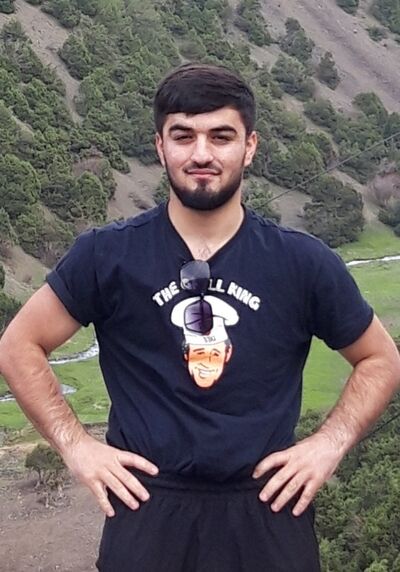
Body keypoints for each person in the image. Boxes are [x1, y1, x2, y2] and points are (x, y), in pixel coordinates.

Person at [0, 62, 399, 572]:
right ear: (159, 146)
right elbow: (19, 346)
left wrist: (329, 444)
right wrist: (76, 447)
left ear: (249, 147)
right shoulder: (106, 255)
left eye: (221, 136)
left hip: (268, 512)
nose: (202, 154)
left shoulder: (302, 262)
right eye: (183, 135)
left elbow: (379, 359)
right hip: (148, 513)